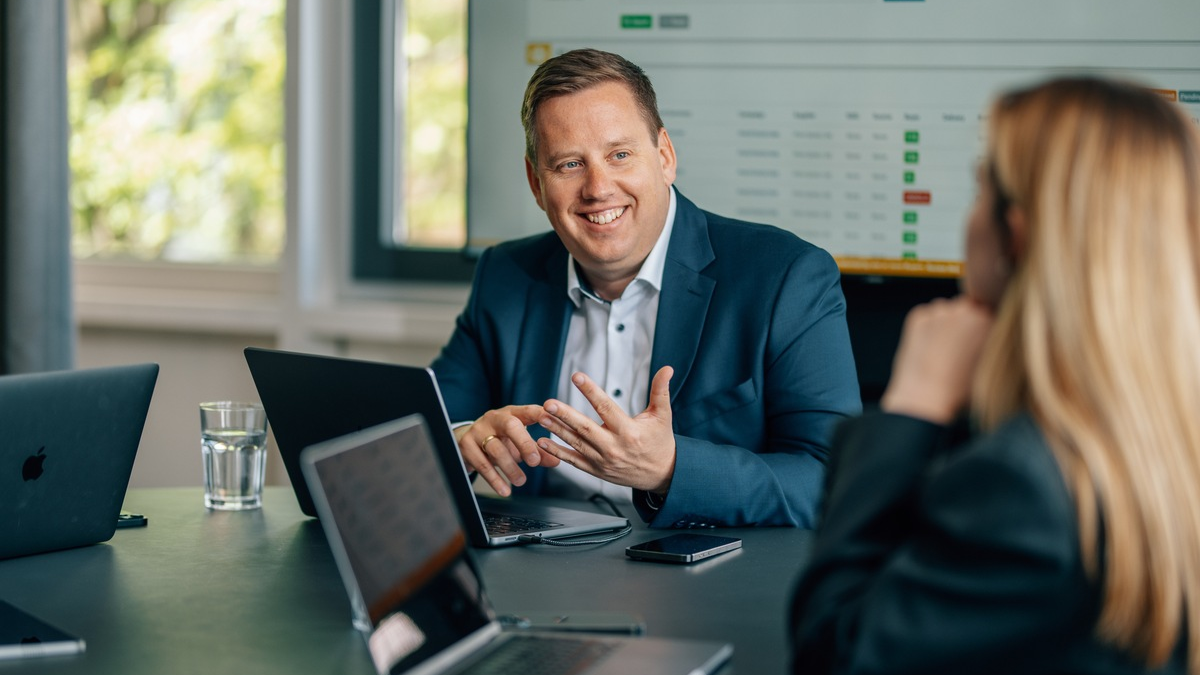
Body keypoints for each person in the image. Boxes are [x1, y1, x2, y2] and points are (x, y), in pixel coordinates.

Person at [789, 75, 1200, 674]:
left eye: (979, 193)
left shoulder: (1024, 479)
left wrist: (912, 407)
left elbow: (837, 656)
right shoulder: (1163, 440)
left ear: (1016, 232)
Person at [431, 48, 861, 528]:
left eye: (619, 154)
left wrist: (670, 470)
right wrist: (466, 438)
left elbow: (834, 481)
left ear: (664, 156)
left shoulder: (787, 276)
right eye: (569, 165)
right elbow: (427, 424)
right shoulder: (505, 273)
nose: (598, 188)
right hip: (543, 566)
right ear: (536, 182)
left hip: (708, 578)